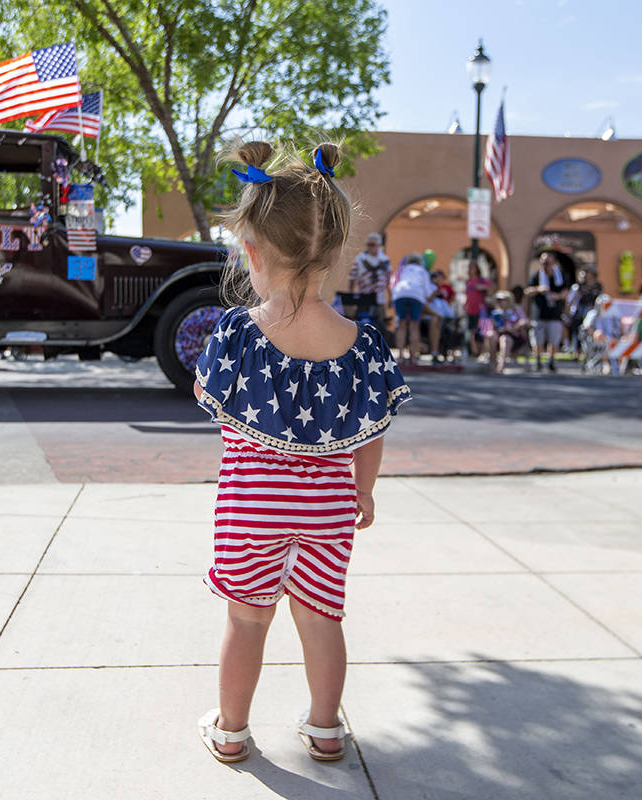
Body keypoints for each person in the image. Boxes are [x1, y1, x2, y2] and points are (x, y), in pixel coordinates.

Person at [192, 141, 411, 764]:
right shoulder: (362, 344)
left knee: (247, 620)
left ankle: (231, 731)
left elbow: (214, 402)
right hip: (327, 510)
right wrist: (362, 490)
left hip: (252, 508)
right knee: (321, 620)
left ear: (253, 254)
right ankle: (324, 729)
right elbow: (370, 434)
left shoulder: (237, 334)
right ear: (333, 253)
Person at [524, 250, 565, 372]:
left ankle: (551, 361)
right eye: (543, 262)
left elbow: (566, 291)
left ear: (553, 262)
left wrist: (556, 296)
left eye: (548, 262)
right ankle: (538, 360)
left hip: (554, 314)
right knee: (537, 340)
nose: (545, 265)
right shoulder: (537, 275)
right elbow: (527, 291)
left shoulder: (560, 276)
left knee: (553, 340)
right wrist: (538, 289)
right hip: (538, 314)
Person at [390, 253, 432, 365]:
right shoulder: (422, 271)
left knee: (402, 325)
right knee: (414, 326)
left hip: (400, 293)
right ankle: (414, 357)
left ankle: (400, 356)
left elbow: (392, 284)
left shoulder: (401, 269)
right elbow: (428, 291)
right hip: (416, 295)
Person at [489, 290, 527, 373]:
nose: (499, 302)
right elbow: (491, 326)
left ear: (509, 301)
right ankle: (494, 364)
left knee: (505, 339)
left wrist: (515, 326)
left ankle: (500, 367)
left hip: (514, 337)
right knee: (491, 336)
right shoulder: (495, 314)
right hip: (498, 335)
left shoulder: (516, 311)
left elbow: (524, 321)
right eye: (498, 300)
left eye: (501, 300)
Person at [426, 268, 456, 362]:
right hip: (432, 317)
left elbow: (452, 299)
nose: (439, 280)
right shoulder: (430, 287)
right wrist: (436, 293)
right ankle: (435, 352)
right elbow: (428, 300)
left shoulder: (446, 288)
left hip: (445, 316)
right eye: (437, 278)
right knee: (437, 322)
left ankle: (450, 354)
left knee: (451, 330)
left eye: (441, 278)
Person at [464, 268, 493, 360]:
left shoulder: (481, 280)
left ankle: (483, 352)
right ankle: (474, 352)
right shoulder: (468, 281)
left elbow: (491, 287)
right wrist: (465, 304)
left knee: (482, 332)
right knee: (471, 332)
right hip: (470, 309)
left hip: (480, 310)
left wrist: (482, 287)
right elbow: (467, 295)